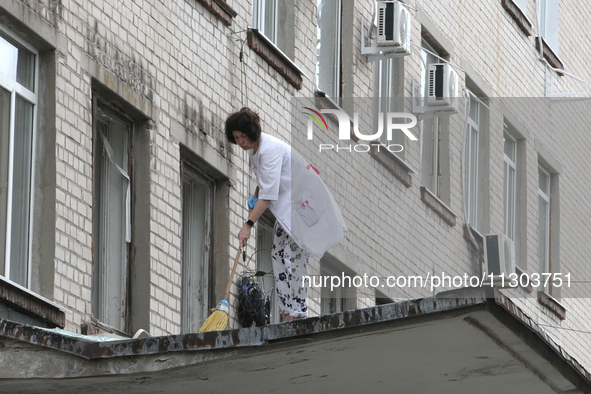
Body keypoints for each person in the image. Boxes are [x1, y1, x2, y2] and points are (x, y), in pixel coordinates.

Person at [225, 107, 347, 322]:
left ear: (253, 132)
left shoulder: (268, 150)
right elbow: (265, 186)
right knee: (282, 255)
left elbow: (269, 194)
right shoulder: (256, 152)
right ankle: (291, 311)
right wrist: (256, 196)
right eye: (236, 138)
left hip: (302, 205)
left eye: (243, 136)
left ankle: (295, 314)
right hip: (292, 208)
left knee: (291, 256)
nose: (241, 142)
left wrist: (248, 224)